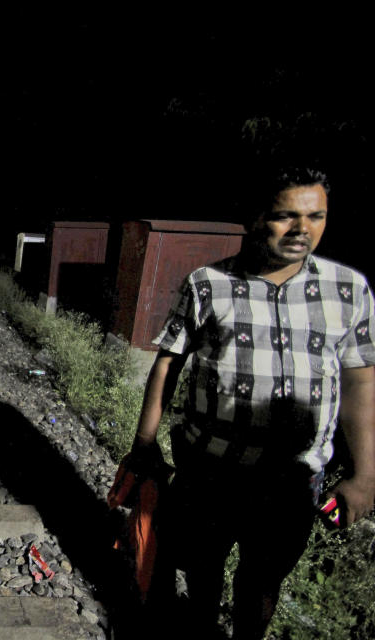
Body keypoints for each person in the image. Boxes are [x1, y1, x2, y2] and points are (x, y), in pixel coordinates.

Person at [131, 167, 375, 640]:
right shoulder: (207, 284)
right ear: (254, 217)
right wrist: (144, 442)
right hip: (209, 470)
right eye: (285, 216)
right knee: (201, 567)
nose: (302, 230)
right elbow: (167, 364)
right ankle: (198, 624)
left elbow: (361, 383)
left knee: (263, 579)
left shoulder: (348, 291)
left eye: (315, 216)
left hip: (292, 479)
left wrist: (365, 475)